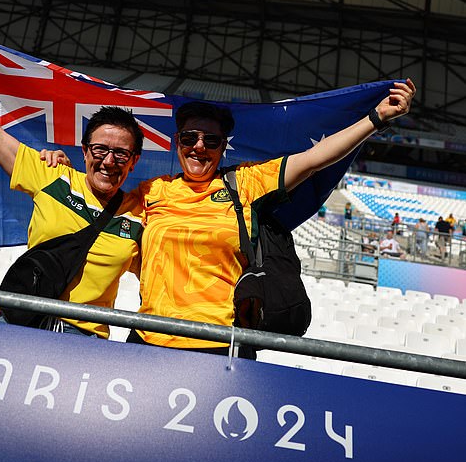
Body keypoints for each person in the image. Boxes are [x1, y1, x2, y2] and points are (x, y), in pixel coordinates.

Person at [45, 80, 416, 355]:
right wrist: (64, 170)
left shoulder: (247, 184)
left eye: (211, 140)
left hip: (221, 347)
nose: (199, 147)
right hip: (147, 340)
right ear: (178, 142)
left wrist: (375, 118)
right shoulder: (153, 192)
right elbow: (98, 198)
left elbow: (315, 158)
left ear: (224, 147)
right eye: (190, 137)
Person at [0, 36, 144, 338]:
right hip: (22, 320)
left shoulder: (142, 214)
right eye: (100, 150)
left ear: (134, 161)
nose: (108, 161)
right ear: (85, 151)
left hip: (83, 339)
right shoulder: (52, 175)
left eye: (121, 154)